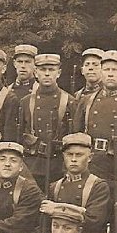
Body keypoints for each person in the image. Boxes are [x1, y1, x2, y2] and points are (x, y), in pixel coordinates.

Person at [74, 50, 117, 181]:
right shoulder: (86, 101)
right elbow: (76, 137)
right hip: (90, 165)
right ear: (101, 72)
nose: (110, 74)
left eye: (115, 70)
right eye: (106, 69)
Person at [18, 54, 77, 189]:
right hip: (32, 163)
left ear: (58, 73)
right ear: (35, 72)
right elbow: (19, 134)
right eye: (43, 70)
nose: (47, 74)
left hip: (58, 164)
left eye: (51, 70)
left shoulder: (70, 101)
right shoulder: (26, 102)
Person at [43, 133, 110, 233]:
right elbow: (45, 225)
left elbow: (93, 221)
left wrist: (56, 209)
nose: (73, 159)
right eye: (69, 154)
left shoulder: (98, 186)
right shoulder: (55, 186)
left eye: (79, 155)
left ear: (89, 157)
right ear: (64, 156)